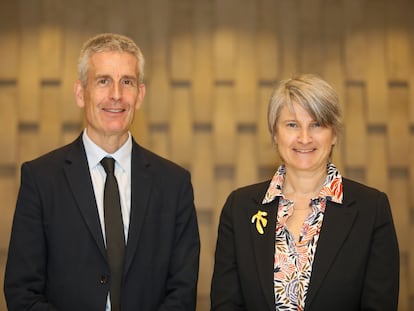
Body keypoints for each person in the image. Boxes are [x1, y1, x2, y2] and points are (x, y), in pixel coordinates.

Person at [4, 33, 200, 311]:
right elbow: (22, 292)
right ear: (80, 93)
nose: (116, 95)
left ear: (140, 95)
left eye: (127, 82)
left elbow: (182, 292)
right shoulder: (41, 179)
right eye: (103, 81)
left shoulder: (174, 184)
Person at [210, 74, 399, 311]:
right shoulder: (239, 207)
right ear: (274, 133)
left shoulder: (371, 209)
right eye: (292, 125)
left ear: (335, 134)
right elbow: (226, 304)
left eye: (317, 124)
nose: (304, 138)